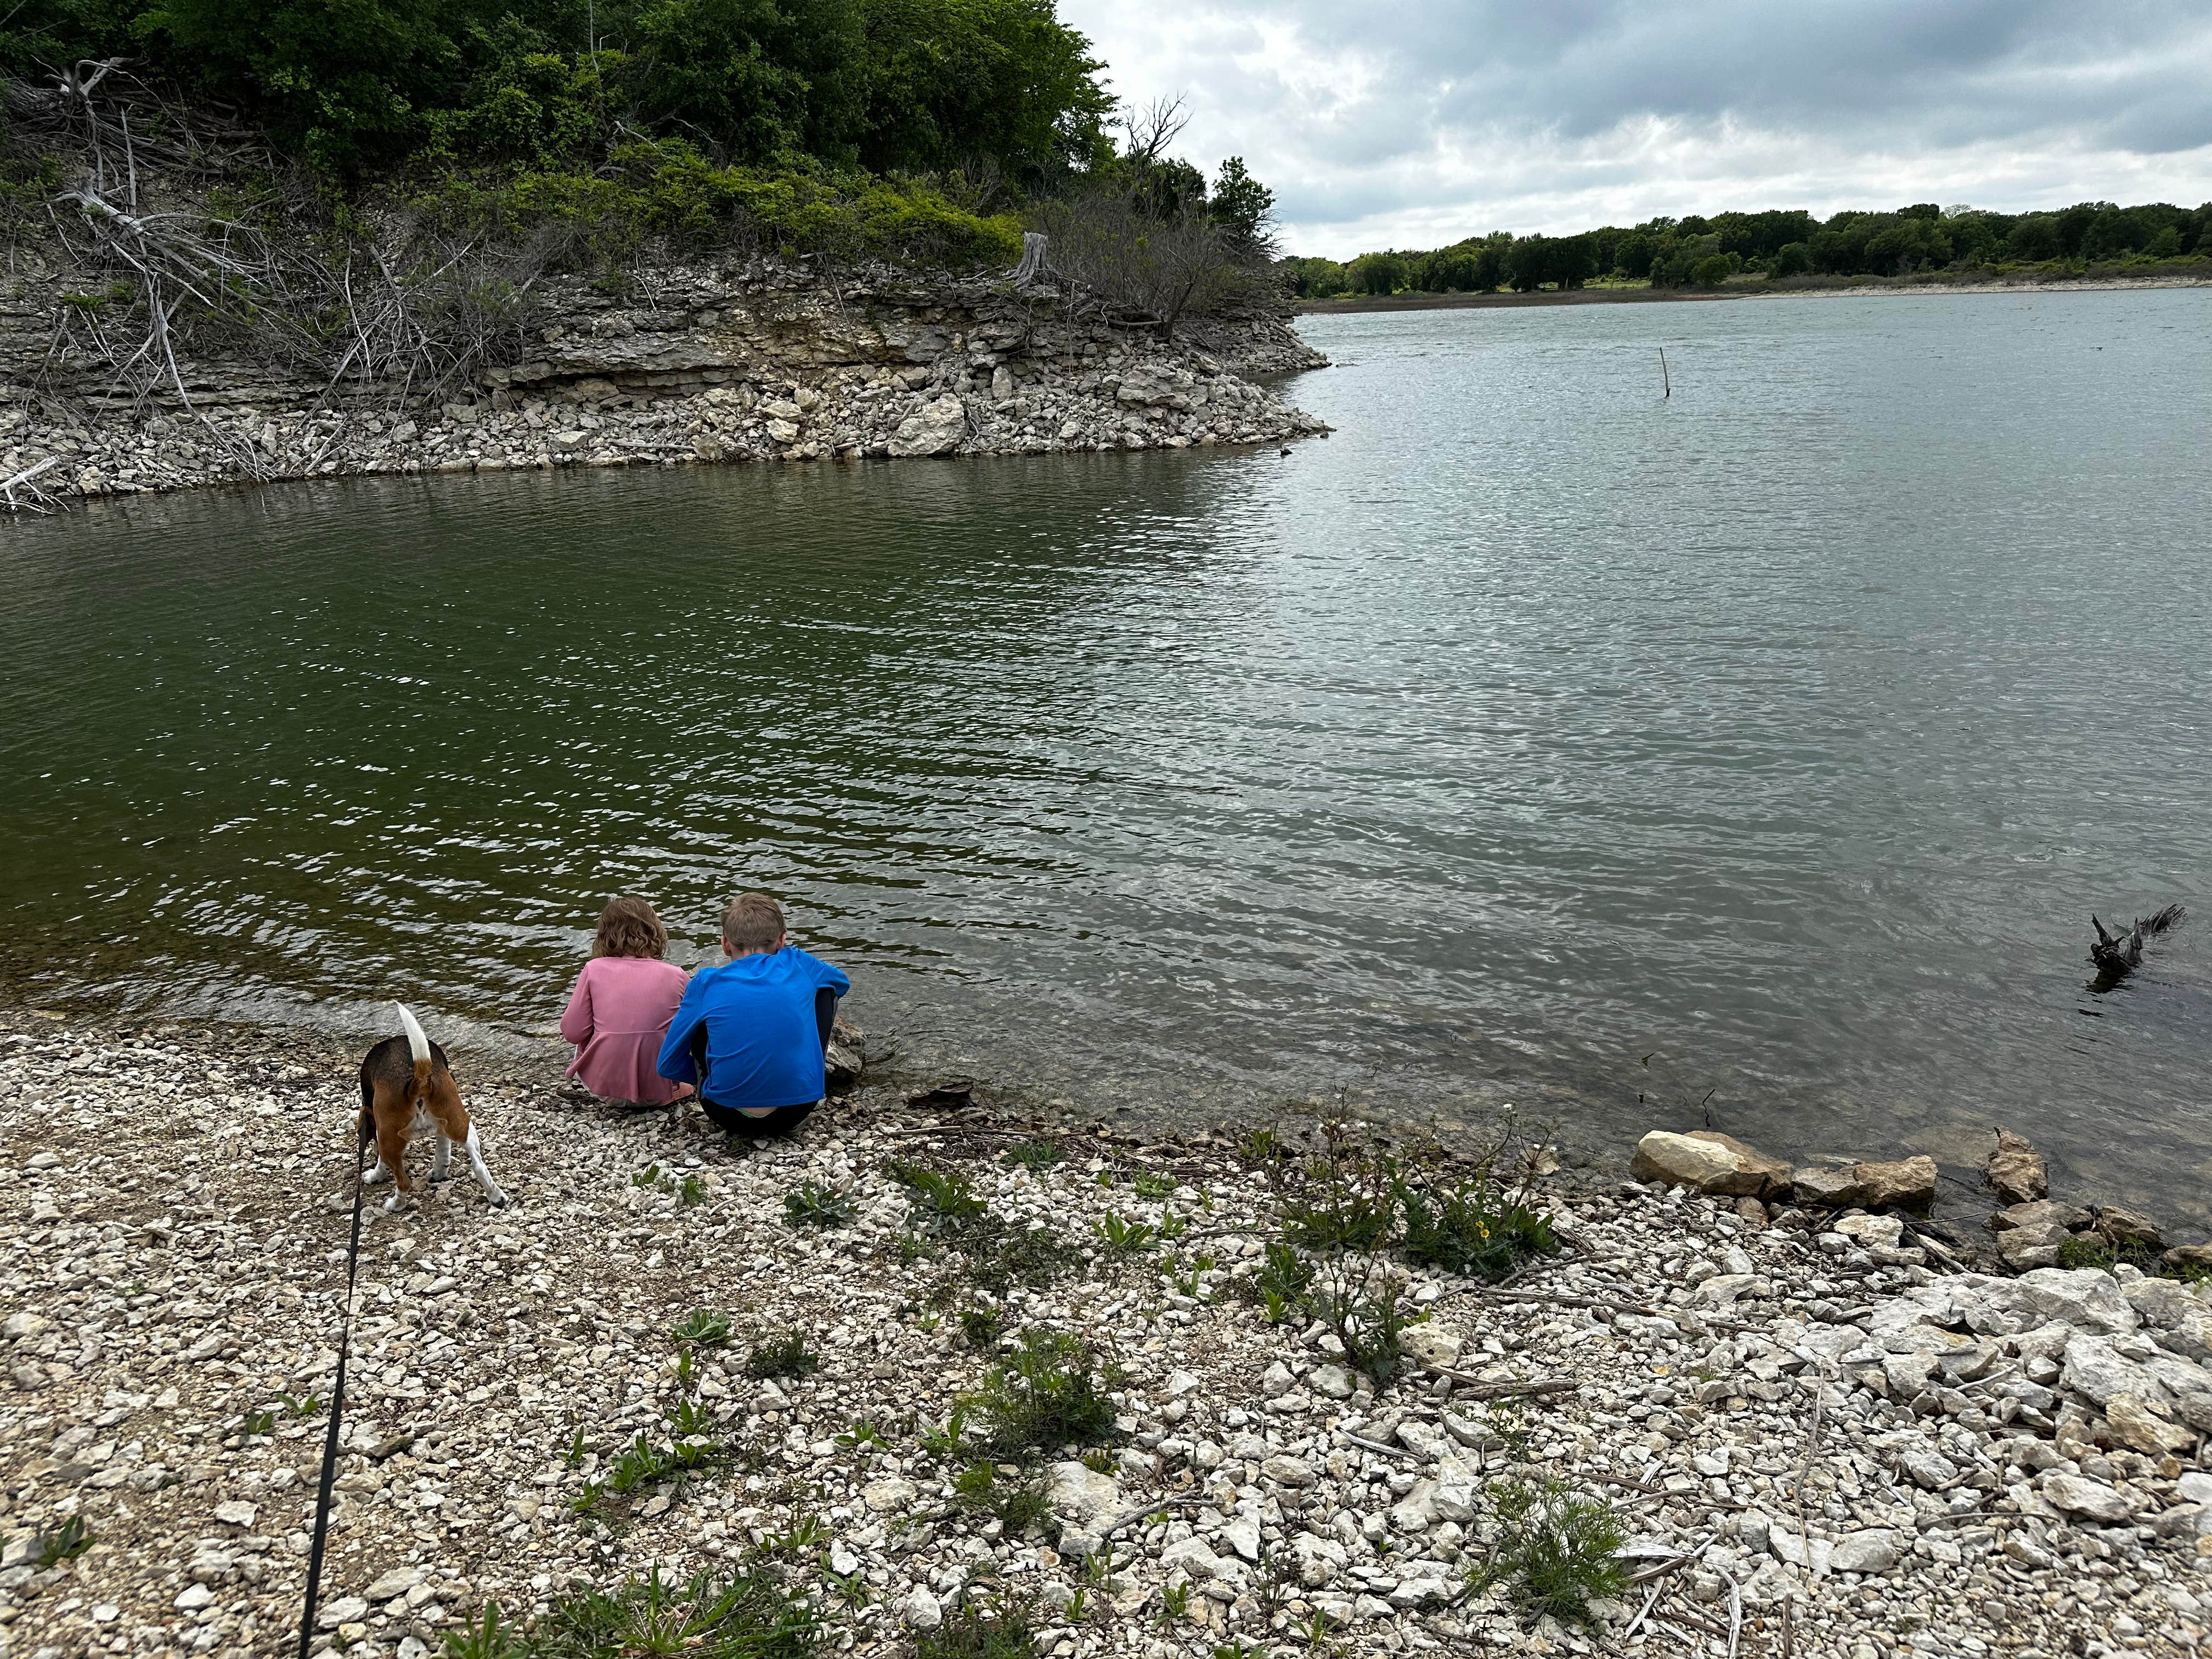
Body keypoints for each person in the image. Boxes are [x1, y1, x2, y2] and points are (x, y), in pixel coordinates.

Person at [656, 891, 849, 1137]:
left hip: (724, 1112)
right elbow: (841, 984)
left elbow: (668, 1064)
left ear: (725, 944)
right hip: (798, 1107)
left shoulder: (706, 981)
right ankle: (804, 1073)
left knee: (705, 1016)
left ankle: (732, 1081)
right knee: (824, 991)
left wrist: (710, 1074)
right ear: (782, 941)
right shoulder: (798, 962)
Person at [559, 896, 693, 1107]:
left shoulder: (594, 969)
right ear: (655, 931)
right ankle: (673, 1089)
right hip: (659, 1089)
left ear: (604, 935)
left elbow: (572, 1032)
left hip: (604, 1089)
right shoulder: (676, 974)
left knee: (593, 1027)